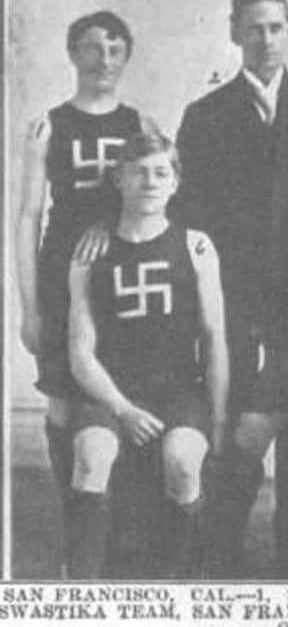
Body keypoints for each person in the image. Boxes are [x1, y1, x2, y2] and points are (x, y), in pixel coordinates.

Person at [173, 0, 288, 578]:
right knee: (241, 416)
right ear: (234, 34)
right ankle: (220, 549)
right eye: (255, 28)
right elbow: (189, 214)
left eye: (277, 27)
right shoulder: (204, 116)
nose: (266, 39)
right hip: (237, 296)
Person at [15, 10, 156, 575]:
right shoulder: (48, 125)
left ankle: (119, 520)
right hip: (60, 270)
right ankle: (76, 509)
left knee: (115, 384)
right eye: (92, 48)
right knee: (63, 395)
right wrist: (29, 307)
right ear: (73, 55)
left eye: (115, 49)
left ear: (126, 57)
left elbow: (153, 193)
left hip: (120, 270)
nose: (104, 60)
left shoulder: (138, 119)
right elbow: (27, 217)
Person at [67, 131, 228, 579]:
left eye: (161, 172)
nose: (150, 182)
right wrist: (123, 408)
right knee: (92, 454)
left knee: (181, 461)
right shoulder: (88, 253)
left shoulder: (196, 246)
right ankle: (80, 590)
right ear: (118, 179)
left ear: (176, 182)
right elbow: (81, 353)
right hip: (111, 394)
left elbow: (215, 339)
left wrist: (215, 421)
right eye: (138, 172)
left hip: (177, 395)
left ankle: (180, 584)